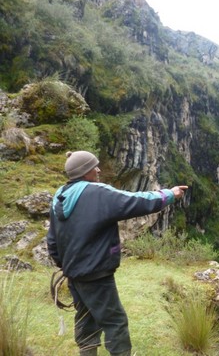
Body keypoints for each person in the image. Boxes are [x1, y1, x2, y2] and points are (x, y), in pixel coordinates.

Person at [47, 151, 188, 356]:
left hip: (74, 272)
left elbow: (52, 240)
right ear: (85, 171)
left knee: (86, 317)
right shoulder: (98, 193)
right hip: (96, 272)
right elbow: (136, 201)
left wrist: (65, 265)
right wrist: (169, 195)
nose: (98, 170)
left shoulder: (59, 197)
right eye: (94, 166)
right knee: (115, 321)